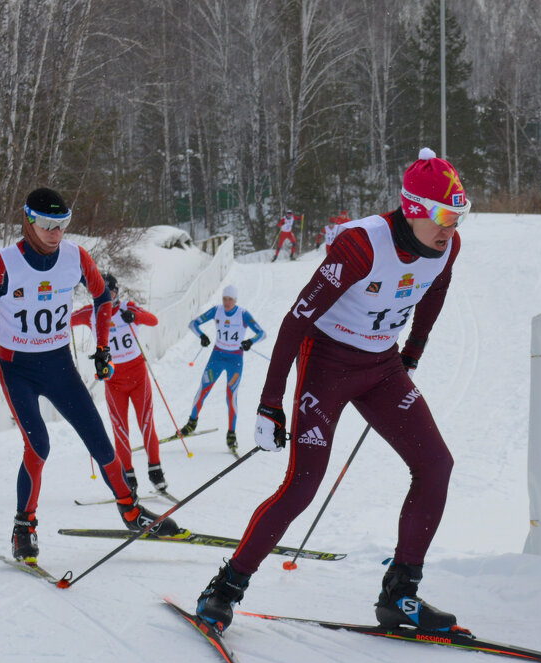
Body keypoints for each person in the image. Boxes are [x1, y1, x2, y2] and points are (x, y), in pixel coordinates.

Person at [194, 147, 469, 632]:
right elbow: (295, 319)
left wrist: (414, 349)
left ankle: (400, 594)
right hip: (327, 365)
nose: (453, 227)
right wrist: (270, 402)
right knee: (303, 485)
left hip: (382, 366)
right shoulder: (362, 246)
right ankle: (226, 587)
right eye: (446, 215)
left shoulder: (448, 245)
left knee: (435, 465)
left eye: (461, 215)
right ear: (414, 208)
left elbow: (436, 289)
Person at [0, 187, 178, 564]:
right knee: (38, 446)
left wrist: (102, 348)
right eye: (47, 225)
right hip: (17, 369)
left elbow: (104, 299)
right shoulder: (3, 263)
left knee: (101, 445)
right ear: (28, 221)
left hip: (59, 365)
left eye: (63, 224)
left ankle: (131, 512)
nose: (55, 233)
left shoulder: (76, 257)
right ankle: (24, 527)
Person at [71, 273, 168, 496]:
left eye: (110, 292)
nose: (106, 296)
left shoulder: (127, 307)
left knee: (146, 423)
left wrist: (133, 316)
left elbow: (153, 320)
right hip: (113, 379)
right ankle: (129, 475)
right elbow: (65, 321)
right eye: (101, 292)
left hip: (138, 376)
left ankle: (155, 470)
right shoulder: (91, 312)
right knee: (120, 429)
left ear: (117, 292)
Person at [178, 285, 266, 452]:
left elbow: (262, 333)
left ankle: (231, 433)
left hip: (235, 360)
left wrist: (250, 342)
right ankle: (191, 423)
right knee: (203, 390)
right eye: (225, 299)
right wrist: (202, 336)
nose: (227, 302)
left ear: (235, 300)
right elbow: (193, 324)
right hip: (217, 357)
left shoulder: (243, 314)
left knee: (231, 397)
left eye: (230, 299)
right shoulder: (217, 311)